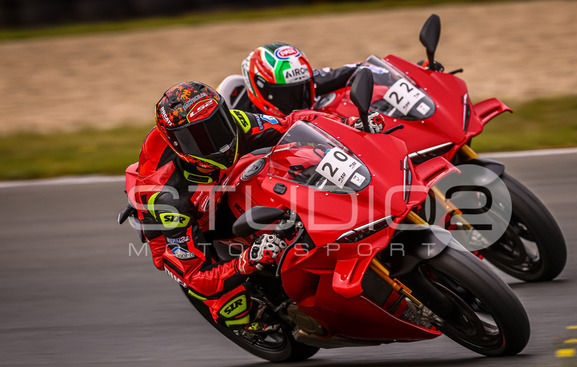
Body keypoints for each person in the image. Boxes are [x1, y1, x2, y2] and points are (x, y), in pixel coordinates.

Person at [127, 80, 384, 331]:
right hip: (182, 222)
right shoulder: (167, 198)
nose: (218, 141)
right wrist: (248, 259)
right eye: (200, 138)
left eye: (218, 124)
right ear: (178, 145)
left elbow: (292, 122)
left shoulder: (238, 124)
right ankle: (251, 318)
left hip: (221, 187)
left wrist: (347, 125)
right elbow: (195, 276)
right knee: (233, 308)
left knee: (284, 164)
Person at [220, 42, 360, 117]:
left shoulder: (310, 79)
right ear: (261, 88)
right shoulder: (240, 120)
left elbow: (360, 68)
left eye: (302, 90)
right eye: (287, 94)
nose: (297, 99)